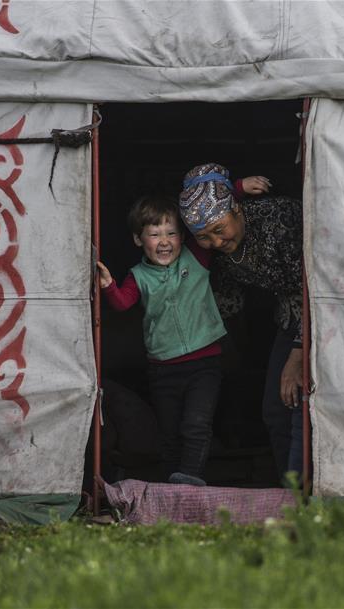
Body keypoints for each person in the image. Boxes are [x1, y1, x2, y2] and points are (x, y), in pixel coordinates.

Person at [179, 163, 305, 483]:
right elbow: (227, 303)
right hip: (288, 319)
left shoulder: (280, 220)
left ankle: (309, 498)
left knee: (302, 409)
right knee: (275, 412)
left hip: (323, 316)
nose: (216, 242)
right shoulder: (221, 252)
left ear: (237, 209)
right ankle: (287, 495)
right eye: (204, 237)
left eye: (220, 230)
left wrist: (299, 352)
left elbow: (314, 285)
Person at [96, 194, 226, 486]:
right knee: (169, 431)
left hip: (205, 363)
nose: (164, 241)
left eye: (172, 233)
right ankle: (169, 486)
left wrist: (240, 187)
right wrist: (108, 285)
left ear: (184, 237)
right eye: (154, 234)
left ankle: (190, 481)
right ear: (138, 240)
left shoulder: (197, 257)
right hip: (163, 368)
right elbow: (122, 303)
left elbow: (210, 213)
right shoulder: (138, 276)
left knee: (196, 425)